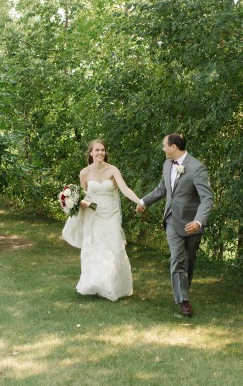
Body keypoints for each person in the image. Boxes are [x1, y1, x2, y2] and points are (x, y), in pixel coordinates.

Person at [136, 133, 214, 316]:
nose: (163, 149)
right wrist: (143, 202)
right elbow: (162, 189)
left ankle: (183, 290)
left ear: (173, 147)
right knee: (177, 259)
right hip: (171, 219)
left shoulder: (197, 167)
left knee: (189, 260)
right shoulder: (166, 165)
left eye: (164, 145)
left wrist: (198, 221)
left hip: (192, 222)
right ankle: (184, 301)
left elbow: (207, 198)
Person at [62, 139, 141, 301]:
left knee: (115, 247)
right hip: (94, 214)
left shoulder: (112, 169)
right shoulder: (84, 172)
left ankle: (114, 286)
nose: (100, 153)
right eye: (97, 150)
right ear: (91, 153)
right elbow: (83, 195)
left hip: (111, 214)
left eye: (102, 150)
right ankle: (97, 284)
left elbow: (124, 189)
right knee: (96, 247)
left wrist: (139, 201)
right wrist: (80, 203)